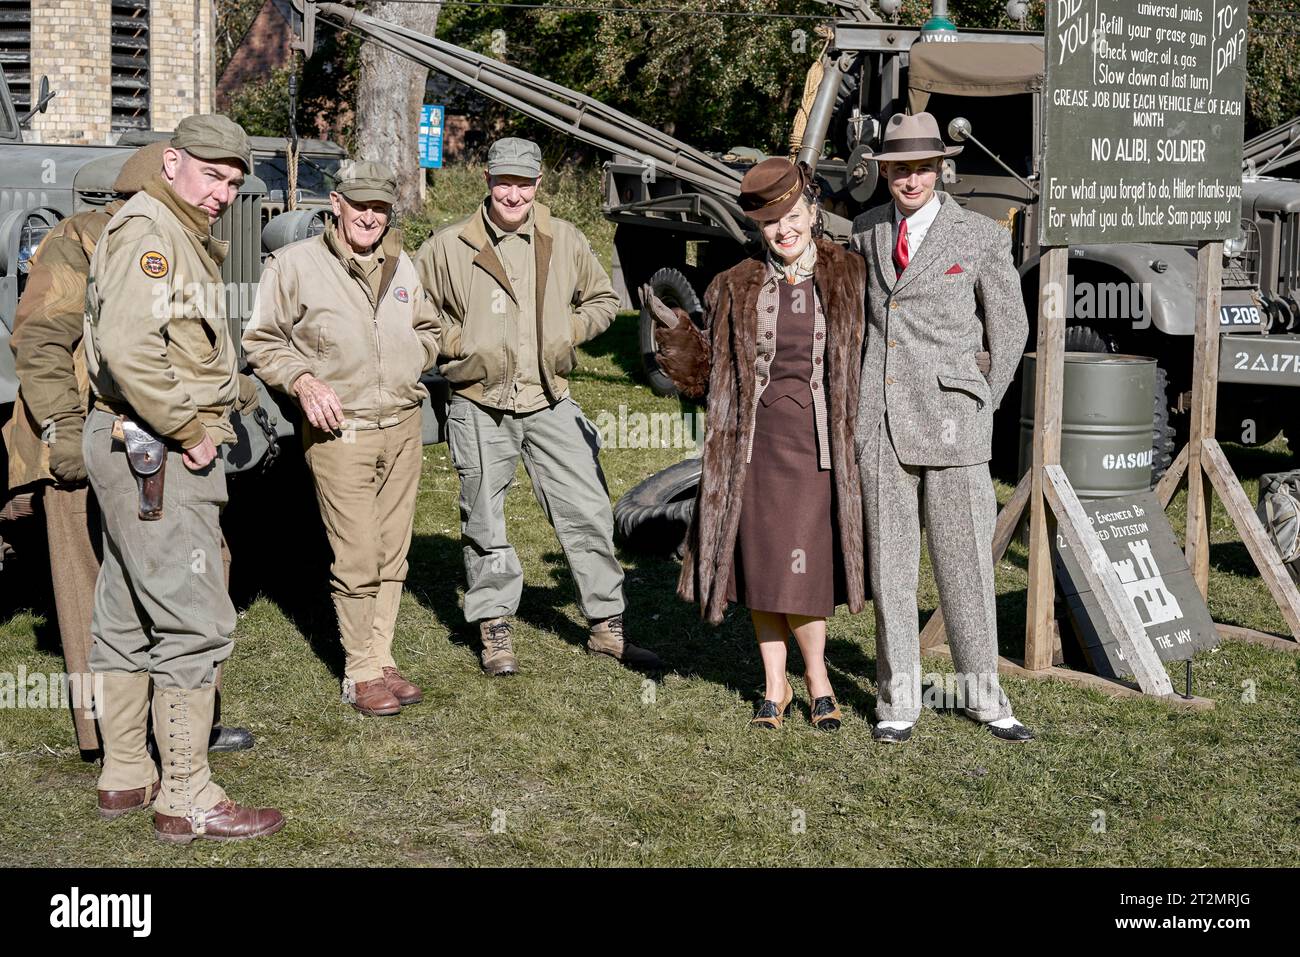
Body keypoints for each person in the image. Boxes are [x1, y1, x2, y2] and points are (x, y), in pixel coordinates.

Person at [3, 142, 254, 756]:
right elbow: (40, 342)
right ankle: (111, 741)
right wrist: (63, 430)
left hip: (155, 441)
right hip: (95, 439)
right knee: (93, 588)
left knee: (195, 570)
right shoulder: (84, 238)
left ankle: (181, 726)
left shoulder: (176, 239)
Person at [83, 114, 284, 842]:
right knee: (193, 620)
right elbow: (132, 352)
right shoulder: (151, 234)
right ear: (172, 163)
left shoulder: (166, 227)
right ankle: (189, 793)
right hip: (158, 449)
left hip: (138, 444)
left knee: (128, 611)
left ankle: (126, 773)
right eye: (212, 176)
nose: (224, 193)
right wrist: (193, 430)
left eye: (234, 182)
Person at [415, 136, 661, 675]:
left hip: (550, 399)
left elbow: (603, 300)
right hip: (480, 402)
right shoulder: (448, 245)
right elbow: (417, 311)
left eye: (523, 183)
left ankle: (607, 624)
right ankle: (494, 625)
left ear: (538, 185)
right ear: (487, 179)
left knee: (587, 511)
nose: (513, 193)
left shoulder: (563, 238)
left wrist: (566, 333)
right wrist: (459, 344)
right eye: (504, 181)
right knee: (484, 519)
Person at [648, 158, 867, 729]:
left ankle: (818, 678)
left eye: (793, 217)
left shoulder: (850, 276)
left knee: (809, 569)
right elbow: (706, 378)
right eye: (772, 224)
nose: (784, 230)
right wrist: (676, 338)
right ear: (758, 229)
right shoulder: (732, 285)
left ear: (813, 212)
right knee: (765, 567)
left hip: (820, 448)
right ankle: (775, 684)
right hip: (753, 450)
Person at [849, 112, 1034, 743]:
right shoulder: (868, 230)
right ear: (885, 172)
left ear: (940, 169)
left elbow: (1010, 328)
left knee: (966, 568)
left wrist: (983, 400)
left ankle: (985, 693)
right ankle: (898, 698)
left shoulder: (979, 236)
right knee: (891, 569)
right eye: (900, 168)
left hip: (956, 424)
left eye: (922, 167)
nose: (911, 179)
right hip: (881, 421)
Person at [243, 161, 440, 717]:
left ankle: (381, 656)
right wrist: (303, 380)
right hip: (340, 430)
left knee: (392, 552)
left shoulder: (405, 265)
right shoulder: (295, 264)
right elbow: (261, 341)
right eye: (361, 206)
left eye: (380, 208)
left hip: (401, 423)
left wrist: (411, 361)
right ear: (337, 204)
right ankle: (357, 672)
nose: (370, 217)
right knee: (356, 553)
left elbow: (428, 329)